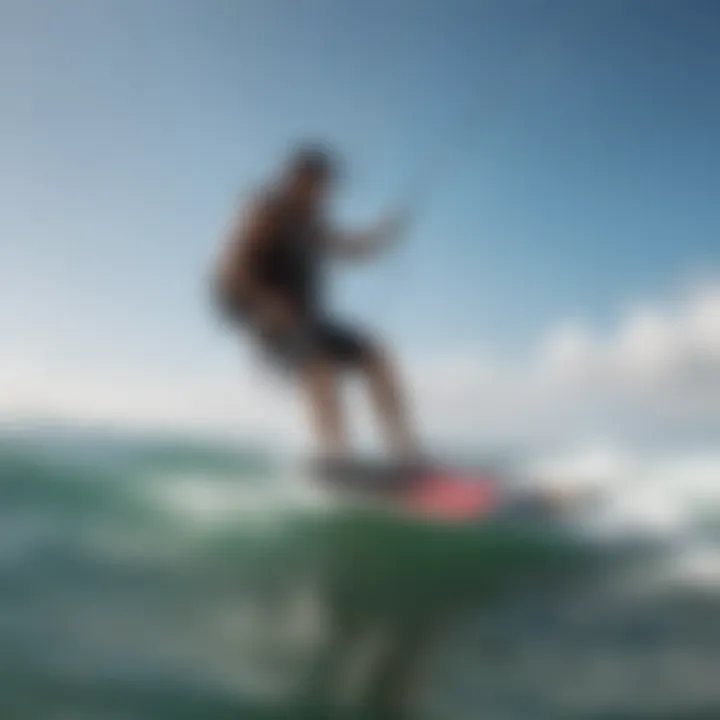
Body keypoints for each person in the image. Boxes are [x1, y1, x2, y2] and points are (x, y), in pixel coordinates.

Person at [213, 143, 420, 463]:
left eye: (326, 187)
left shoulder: (312, 225)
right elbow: (231, 270)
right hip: (272, 326)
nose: (322, 193)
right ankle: (336, 459)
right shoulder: (266, 212)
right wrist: (266, 304)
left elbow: (353, 249)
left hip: (310, 323)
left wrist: (384, 234)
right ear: (296, 179)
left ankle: (407, 455)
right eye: (317, 184)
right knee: (320, 365)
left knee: (376, 356)